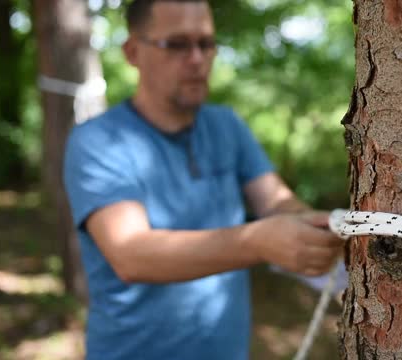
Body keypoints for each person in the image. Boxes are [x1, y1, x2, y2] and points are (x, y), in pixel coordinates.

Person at [62, 0, 344, 359]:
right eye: (177, 44)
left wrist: (321, 229)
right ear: (133, 52)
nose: (197, 59)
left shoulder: (226, 126)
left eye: (206, 43)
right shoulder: (99, 141)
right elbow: (131, 254)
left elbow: (275, 202)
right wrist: (257, 242)